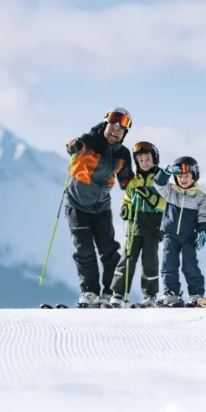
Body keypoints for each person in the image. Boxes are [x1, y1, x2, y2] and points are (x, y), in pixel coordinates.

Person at [65, 107, 135, 308]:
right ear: (105, 125)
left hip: (101, 208)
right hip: (77, 205)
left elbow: (127, 181)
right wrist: (74, 146)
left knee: (109, 250)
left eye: (120, 131)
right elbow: (78, 145)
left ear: (124, 134)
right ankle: (89, 292)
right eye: (112, 127)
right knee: (84, 249)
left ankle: (109, 293)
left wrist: (139, 190)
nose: (115, 133)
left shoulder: (122, 154)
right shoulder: (91, 141)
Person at [108, 141, 166, 308]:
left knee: (150, 261)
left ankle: (150, 295)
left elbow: (167, 203)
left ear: (155, 159)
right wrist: (125, 208)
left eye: (147, 159)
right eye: (141, 160)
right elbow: (126, 198)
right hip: (134, 228)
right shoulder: (134, 182)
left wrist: (151, 197)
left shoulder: (160, 181)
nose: (145, 162)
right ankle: (118, 294)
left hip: (153, 228)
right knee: (127, 259)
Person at [153, 156, 206, 307]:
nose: (183, 179)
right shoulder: (171, 192)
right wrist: (165, 172)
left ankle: (196, 295)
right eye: (179, 176)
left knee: (189, 265)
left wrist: (203, 232)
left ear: (194, 176)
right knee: (168, 264)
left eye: (186, 176)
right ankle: (171, 293)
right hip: (170, 236)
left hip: (188, 237)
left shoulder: (200, 197)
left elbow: (203, 217)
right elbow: (158, 183)